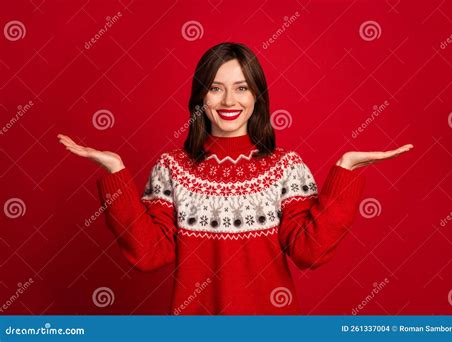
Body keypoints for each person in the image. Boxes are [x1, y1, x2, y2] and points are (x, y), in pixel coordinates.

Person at [57, 42, 413, 315]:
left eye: (242, 88)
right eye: (216, 88)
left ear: (257, 96)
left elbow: (310, 253)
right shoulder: (172, 167)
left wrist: (345, 173)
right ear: (201, 97)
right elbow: (150, 253)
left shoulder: (286, 166)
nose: (229, 99)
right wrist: (116, 172)